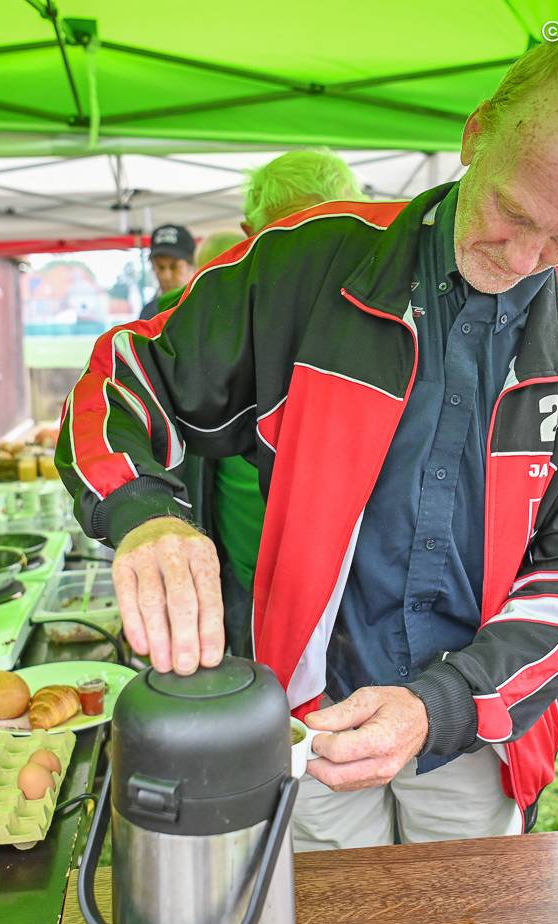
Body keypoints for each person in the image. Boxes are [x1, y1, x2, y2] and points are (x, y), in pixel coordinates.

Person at [56, 39, 558, 849]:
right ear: (476, 136)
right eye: (513, 214)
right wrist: (145, 516)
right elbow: (120, 382)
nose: (524, 260)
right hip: (311, 706)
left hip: (476, 729)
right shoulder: (308, 262)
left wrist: (445, 704)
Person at [184, 150, 365, 658]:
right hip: (243, 569)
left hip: (356, 587)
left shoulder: (390, 313)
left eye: (327, 232)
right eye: (287, 237)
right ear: (251, 235)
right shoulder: (223, 320)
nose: (308, 255)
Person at [137, 223, 196, 320]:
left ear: (192, 266)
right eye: (160, 267)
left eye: (174, 267)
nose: (165, 276)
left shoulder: (208, 308)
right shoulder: (149, 313)